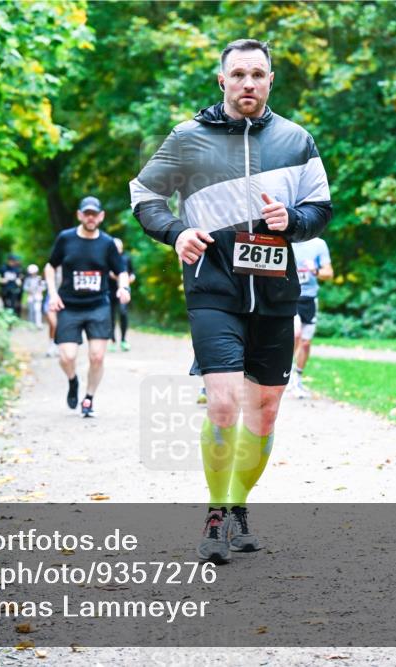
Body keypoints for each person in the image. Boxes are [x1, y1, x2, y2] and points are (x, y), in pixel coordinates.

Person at [130, 39, 331, 562]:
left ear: (270, 81)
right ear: (222, 81)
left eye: (258, 74)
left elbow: (320, 209)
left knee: (264, 414)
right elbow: (143, 194)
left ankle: (239, 507)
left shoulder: (297, 140)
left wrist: (296, 221)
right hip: (212, 288)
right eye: (238, 74)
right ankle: (215, 515)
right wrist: (176, 233)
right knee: (221, 403)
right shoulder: (188, 138)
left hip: (274, 292)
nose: (248, 83)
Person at [45, 196, 130, 418]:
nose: (91, 217)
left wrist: (123, 288)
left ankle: (89, 399)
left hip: (98, 306)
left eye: (95, 214)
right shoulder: (66, 239)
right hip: (69, 305)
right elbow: (50, 266)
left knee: (97, 357)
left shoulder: (108, 243)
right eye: (87, 213)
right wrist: (52, 294)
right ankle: (73, 381)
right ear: (80, 215)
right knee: (67, 357)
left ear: (101, 216)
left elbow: (121, 270)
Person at [289, 237, 333, 398]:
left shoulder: (319, 244)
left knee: (306, 342)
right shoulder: (286, 240)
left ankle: (297, 377)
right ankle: (286, 374)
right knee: (296, 334)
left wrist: (315, 270)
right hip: (289, 298)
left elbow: (329, 273)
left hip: (309, 299)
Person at [108, 238, 136, 351]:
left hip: (124, 289)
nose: (117, 249)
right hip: (110, 290)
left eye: (119, 247)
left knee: (123, 313)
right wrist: (115, 276)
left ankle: (124, 340)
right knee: (111, 316)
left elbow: (132, 272)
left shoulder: (126, 257)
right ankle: (113, 340)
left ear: (122, 247)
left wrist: (131, 278)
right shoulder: (107, 258)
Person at [23, 264, 46, 330]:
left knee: (37, 310)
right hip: (30, 296)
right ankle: (31, 324)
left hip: (38, 296)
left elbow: (44, 287)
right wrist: (29, 290)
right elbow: (25, 287)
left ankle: (38, 324)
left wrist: (39, 289)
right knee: (31, 311)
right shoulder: (28, 279)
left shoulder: (39, 279)